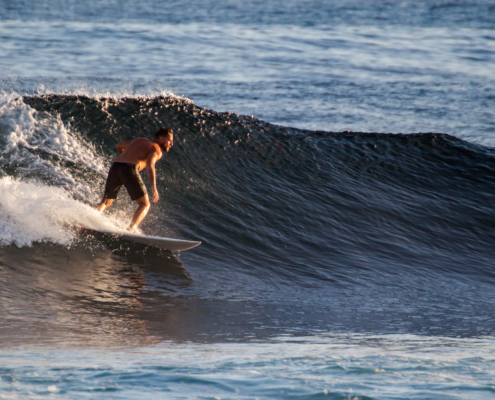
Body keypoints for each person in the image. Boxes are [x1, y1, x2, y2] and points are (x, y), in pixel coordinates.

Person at [96, 128, 174, 232]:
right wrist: (153, 187)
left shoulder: (139, 140)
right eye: (169, 140)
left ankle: (89, 217)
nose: (171, 144)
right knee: (145, 204)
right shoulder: (156, 149)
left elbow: (119, 146)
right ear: (161, 140)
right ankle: (130, 230)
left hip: (116, 166)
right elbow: (150, 165)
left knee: (106, 201)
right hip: (129, 168)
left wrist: (126, 157)